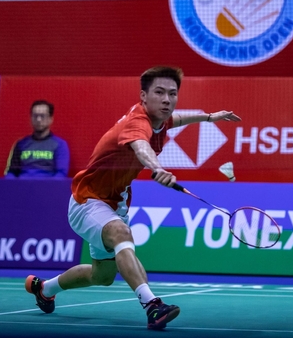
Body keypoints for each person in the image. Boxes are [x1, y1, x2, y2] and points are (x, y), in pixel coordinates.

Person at [24, 66, 240, 330]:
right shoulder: (137, 123)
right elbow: (141, 146)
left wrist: (208, 117)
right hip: (88, 199)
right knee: (121, 234)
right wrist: (157, 168)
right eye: (159, 92)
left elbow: (176, 119)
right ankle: (152, 306)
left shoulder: (160, 120)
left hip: (115, 202)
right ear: (143, 96)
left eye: (172, 94)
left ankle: (45, 289)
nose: (167, 100)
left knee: (102, 276)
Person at [5, 100, 70, 178]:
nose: (38, 119)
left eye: (43, 116)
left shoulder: (60, 145)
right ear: (30, 118)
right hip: (22, 184)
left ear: (51, 119)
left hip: (47, 185)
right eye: (35, 116)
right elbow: (12, 172)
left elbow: (61, 174)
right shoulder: (20, 144)